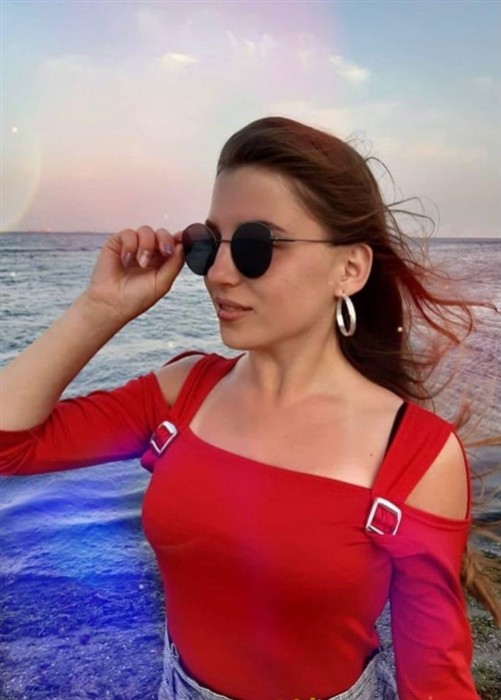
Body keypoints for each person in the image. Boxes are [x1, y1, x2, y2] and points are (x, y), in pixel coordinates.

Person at [1, 116, 499, 700]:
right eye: (208, 243)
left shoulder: (415, 455)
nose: (219, 273)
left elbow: (434, 681)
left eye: (256, 246)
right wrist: (101, 308)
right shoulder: (182, 394)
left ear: (350, 269)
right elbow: (11, 445)